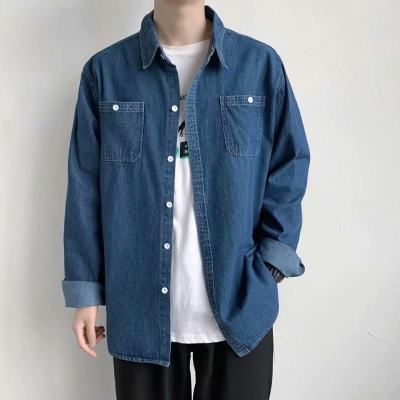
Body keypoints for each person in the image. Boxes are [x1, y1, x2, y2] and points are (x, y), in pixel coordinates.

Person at [61, 1, 310, 399]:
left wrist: (270, 264)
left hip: (241, 307)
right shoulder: (105, 73)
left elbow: (289, 166)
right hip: (139, 308)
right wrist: (85, 291)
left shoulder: (259, 66)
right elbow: (85, 187)